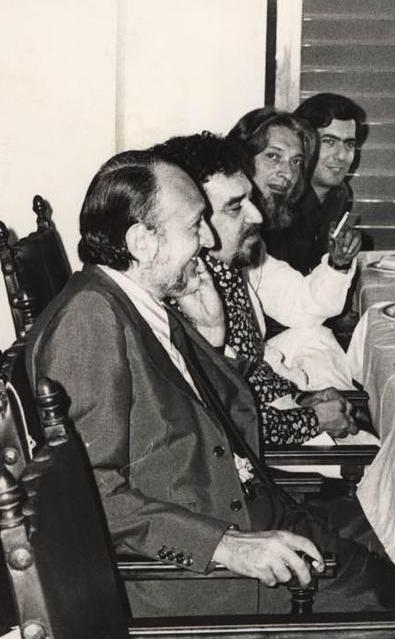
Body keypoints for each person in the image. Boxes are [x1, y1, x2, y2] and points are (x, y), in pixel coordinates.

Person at [24, 150, 395, 639]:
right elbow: (91, 498)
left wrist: (212, 338)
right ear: (141, 242)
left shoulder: (139, 298)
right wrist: (228, 547)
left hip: (248, 505)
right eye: (195, 226)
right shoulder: (90, 324)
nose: (210, 241)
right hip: (199, 577)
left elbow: (226, 422)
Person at [151, 132, 366, 445]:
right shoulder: (188, 289)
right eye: (236, 207)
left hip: (275, 408)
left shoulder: (226, 265)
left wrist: (302, 398)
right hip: (257, 448)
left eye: (297, 161)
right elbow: (224, 424)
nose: (257, 216)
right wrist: (313, 417)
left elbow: (246, 379)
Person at [227, 108, 366, 390]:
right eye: (273, 156)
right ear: (240, 159)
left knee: (314, 336)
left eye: (296, 161)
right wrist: (304, 406)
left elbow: (299, 306)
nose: (287, 173)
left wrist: (337, 264)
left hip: (253, 366)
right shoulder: (214, 237)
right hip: (226, 388)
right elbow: (231, 360)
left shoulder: (249, 238)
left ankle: (344, 414)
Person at [258, 92, 370, 276]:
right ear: (304, 143)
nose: (342, 156)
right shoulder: (278, 196)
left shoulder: (339, 194)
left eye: (349, 144)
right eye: (329, 142)